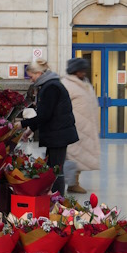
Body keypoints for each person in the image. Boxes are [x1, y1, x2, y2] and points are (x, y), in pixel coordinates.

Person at [17, 58, 79, 195]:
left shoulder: (51, 87)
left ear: (38, 73)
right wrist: (30, 130)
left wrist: (22, 124)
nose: (30, 80)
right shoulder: (49, 85)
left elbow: (45, 115)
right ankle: (55, 197)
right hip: (56, 134)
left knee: (56, 170)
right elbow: (44, 113)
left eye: (31, 76)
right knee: (53, 168)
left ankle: (58, 200)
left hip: (58, 134)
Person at [60, 57, 100, 194]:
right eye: (81, 71)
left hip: (86, 127)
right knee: (72, 156)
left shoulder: (85, 84)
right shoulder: (66, 84)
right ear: (74, 71)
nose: (83, 73)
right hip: (75, 126)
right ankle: (70, 183)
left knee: (79, 156)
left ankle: (74, 182)